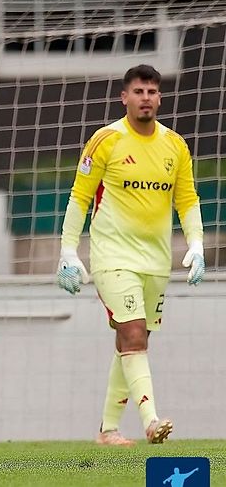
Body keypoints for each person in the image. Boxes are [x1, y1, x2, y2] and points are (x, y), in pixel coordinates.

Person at [56, 64, 204, 446]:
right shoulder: (106, 140)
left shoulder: (175, 146)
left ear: (160, 98)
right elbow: (79, 196)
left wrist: (197, 245)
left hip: (156, 262)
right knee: (134, 333)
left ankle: (108, 431)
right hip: (113, 256)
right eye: (139, 92)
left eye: (152, 92)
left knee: (130, 342)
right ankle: (151, 421)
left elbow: (187, 200)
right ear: (125, 97)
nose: (146, 98)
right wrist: (68, 250)